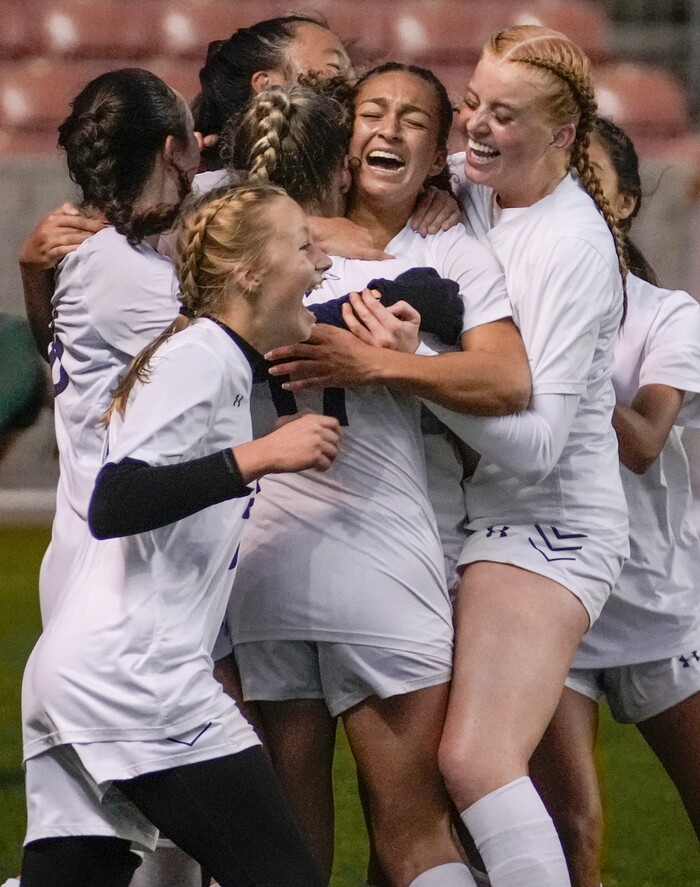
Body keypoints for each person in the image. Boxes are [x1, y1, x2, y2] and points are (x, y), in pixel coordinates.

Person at [267, 27, 630, 887]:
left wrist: (396, 366)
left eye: (501, 114)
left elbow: (536, 442)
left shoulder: (567, 246)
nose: (476, 128)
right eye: (471, 104)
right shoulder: (474, 185)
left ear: (563, 136)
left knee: (472, 766)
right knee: (415, 798)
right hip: (455, 524)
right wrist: (317, 225)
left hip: (546, 521)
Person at [226, 64, 530, 887]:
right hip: (383, 554)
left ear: (438, 156)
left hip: (266, 559)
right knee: (415, 830)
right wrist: (389, 359)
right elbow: (509, 380)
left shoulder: (247, 255)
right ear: (342, 144)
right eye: (371, 113)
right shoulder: (422, 272)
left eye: (413, 120)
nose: (389, 130)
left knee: (288, 841)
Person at [20, 181, 340, 887]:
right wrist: (260, 455)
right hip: (136, 678)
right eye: (303, 246)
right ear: (249, 273)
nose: (321, 263)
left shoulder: (208, 355)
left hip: (81, 674)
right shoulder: (201, 356)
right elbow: (117, 500)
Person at [529, 117, 700, 887]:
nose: (572, 192)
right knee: (573, 831)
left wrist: (576, 350)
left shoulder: (668, 316)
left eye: (590, 177)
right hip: (554, 595)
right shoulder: (514, 306)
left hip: (657, 602)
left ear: (627, 202)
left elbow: (645, 441)